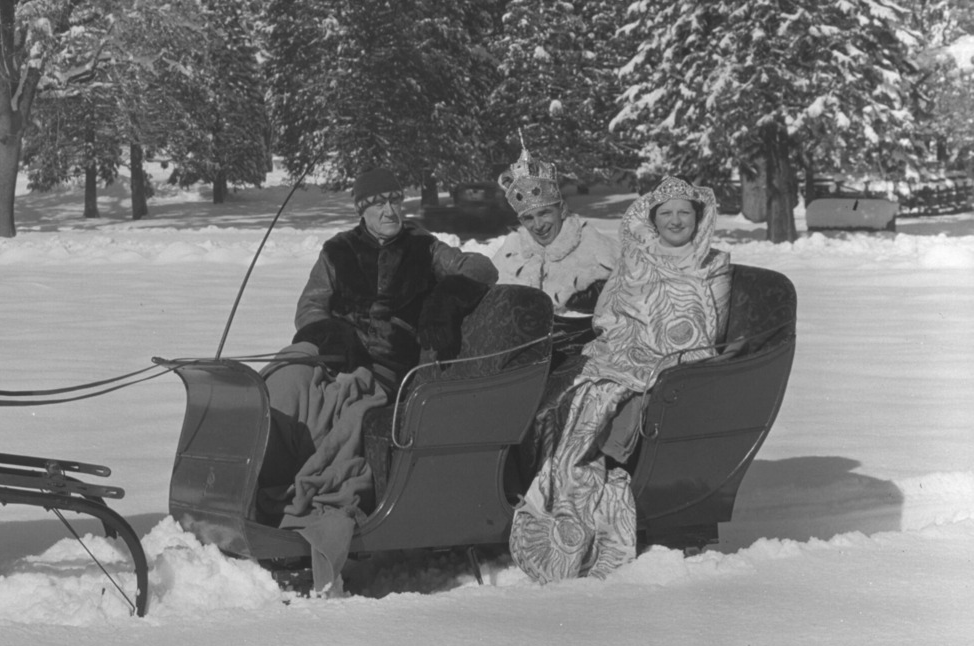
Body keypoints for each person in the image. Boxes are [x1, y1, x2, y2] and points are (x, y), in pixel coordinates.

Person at [260, 167, 498, 595]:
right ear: (362, 210)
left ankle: (315, 511)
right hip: (335, 355)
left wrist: (446, 299)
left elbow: (481, 266)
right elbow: (310, 308)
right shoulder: (337, 252)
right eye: (379, 204)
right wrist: (333, 333)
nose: (390, 211)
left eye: (395, 201)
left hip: (387, 371)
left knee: (349, 413)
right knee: (284, 379)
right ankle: (261, 488)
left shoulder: (423, 247)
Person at [509, 176, 731, 582]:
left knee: (598, 402)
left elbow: (701, 329)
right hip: (618, 353)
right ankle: (562, 495)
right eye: (666, 214)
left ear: (697, 218)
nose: (676, 221)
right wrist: (623, 339)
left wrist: (648, 345)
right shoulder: (637, 258)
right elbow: (609, 314)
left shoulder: (712, 264)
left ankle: (592, 510)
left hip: (670, 363)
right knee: (573, 401)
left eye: (684, 212)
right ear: (654, 220)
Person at [490, 159, 617, 329]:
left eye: (544, 213)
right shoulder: (511, 251)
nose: (538, 225)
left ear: (563, 209)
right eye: (529, 218)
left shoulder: (597, 248)